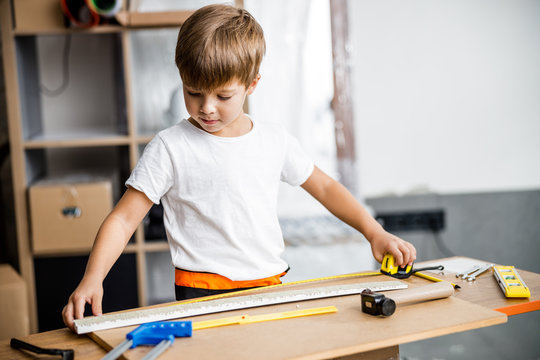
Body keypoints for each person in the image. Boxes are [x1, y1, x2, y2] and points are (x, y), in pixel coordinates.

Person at [62, 4, 416, 332]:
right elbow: (124, 219)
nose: (207, 108)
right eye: (193, 92)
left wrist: (374, 232)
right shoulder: (170, 147)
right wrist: (93, 278)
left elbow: (325, 187)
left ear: (251, 85)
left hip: (269, 286)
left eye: (222, 96)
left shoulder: (274, 140)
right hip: (201, 291)